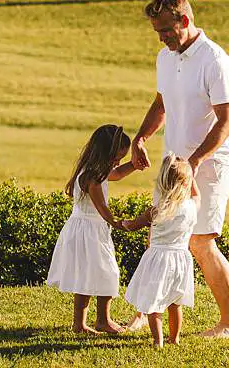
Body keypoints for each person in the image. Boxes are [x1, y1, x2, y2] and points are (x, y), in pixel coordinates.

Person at [129, 0, 229, 339]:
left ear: (185, 21)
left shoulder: (215, 60)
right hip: (173, 164)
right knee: (158, 235)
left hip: (209, 165)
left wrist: (194, 163)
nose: (162, 38)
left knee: (199, 241)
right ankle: (145, 313)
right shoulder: (166, 57)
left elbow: (227, 122)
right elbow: (161, 104)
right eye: (157, 32)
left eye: (166, 30)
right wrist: (140, 139)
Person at [45, 123, 138, 334]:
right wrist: (117, 223)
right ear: (104, 154)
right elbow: (102, 208)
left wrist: (135, 165)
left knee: (86, 277)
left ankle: (83, 324)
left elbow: (118, 174)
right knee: (107, 273)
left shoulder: (94, 171)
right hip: (90, 231)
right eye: (116, 158)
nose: (118, 163)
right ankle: (100, 321)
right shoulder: (92, 178)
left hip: (85, 229)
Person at [117, 155, 199, 348]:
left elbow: (132, 225)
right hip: (180, 260)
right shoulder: (191, 208)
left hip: (158, 260)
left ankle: (158, 341)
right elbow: (197, 196)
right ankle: (175, 338)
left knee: (154, 305)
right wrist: (191, 173)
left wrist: (122, 223)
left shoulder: (156, 210)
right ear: (186, 183)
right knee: (174, 303)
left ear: (162, 182)